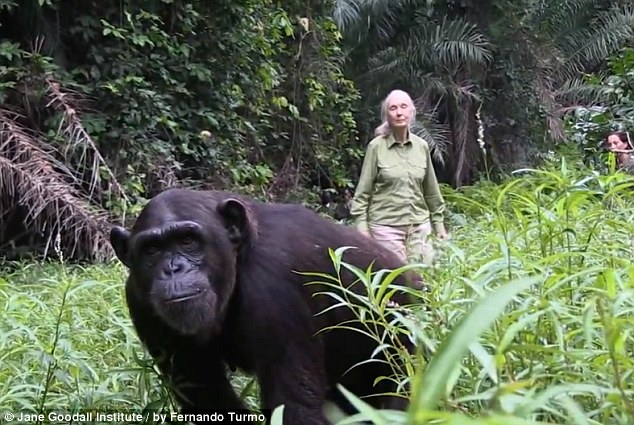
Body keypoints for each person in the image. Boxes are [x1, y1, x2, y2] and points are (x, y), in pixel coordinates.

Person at [348, 89, 448, 265]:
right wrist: (363, 229)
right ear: (387, 115)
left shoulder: (422, 146)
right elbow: (362, 193)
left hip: (419, 226)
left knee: (426, 277)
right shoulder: (376, 147)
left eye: (403, 107)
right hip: (386, 229)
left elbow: (431, 190)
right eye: (393, 108)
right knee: (398, 283)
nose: (399, 112)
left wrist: (439, 224)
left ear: (411, 112)